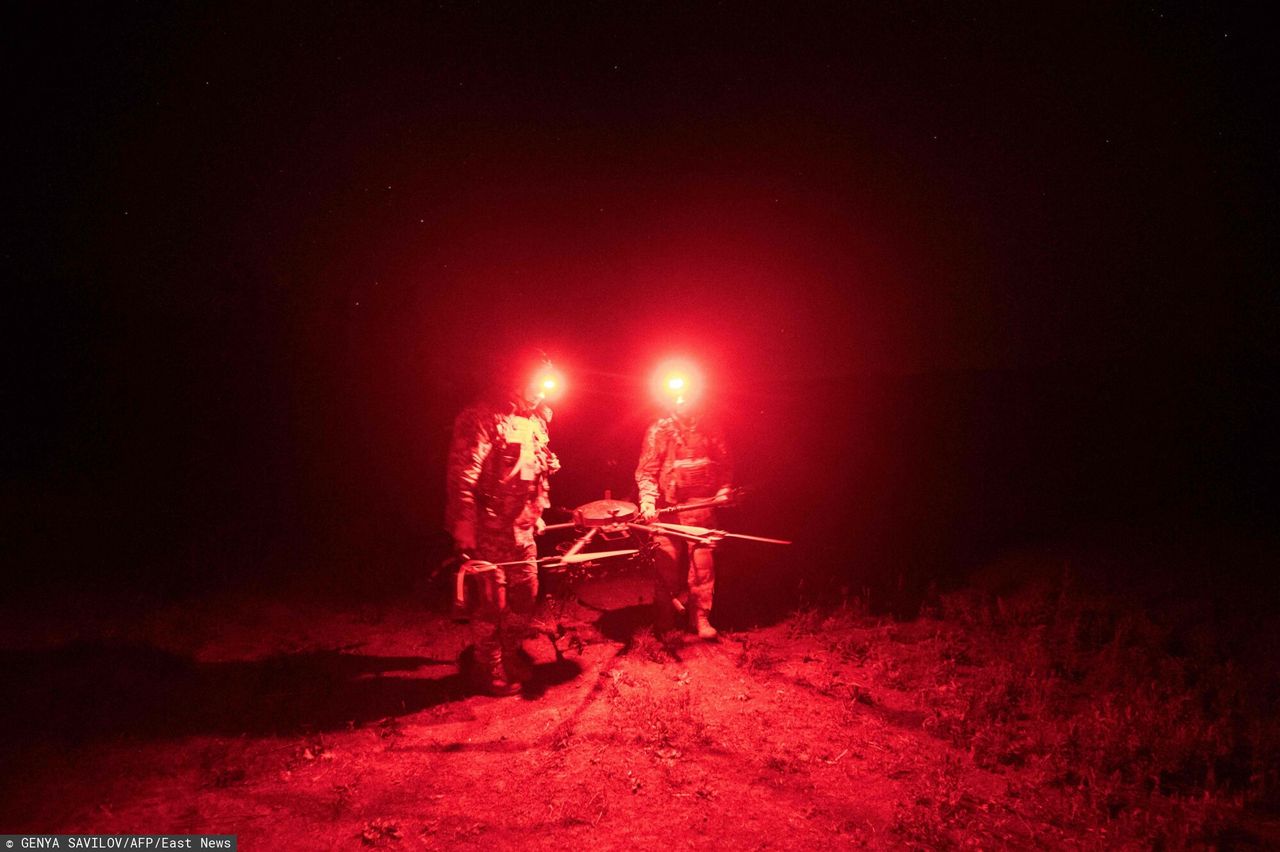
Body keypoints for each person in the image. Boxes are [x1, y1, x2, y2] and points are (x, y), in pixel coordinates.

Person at [446, 348, 561, 695]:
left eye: (545, 384)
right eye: (534, 382)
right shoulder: (481, 416)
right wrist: (463, 523)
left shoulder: (537, 421)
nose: (541, 390)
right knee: (490, 604)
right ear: (515, 377)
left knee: (526, 595)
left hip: (523, 528)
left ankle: (510, 655)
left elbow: (537, 474)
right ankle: (488, 665)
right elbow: (461, 475)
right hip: (488, 528)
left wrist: (539, 510)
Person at [635, 371, 733, 640]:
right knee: (666, 563)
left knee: (703, 565)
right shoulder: (659, 430)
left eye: (685, 395)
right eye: (674, 396)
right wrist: (647, 500)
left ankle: (700, 618)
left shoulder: (711, 428)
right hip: (667, 509)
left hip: (701, 507)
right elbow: (646, 471)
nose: (680, 400)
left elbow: (725, 465)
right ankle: (664, 617)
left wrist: (724, 489)